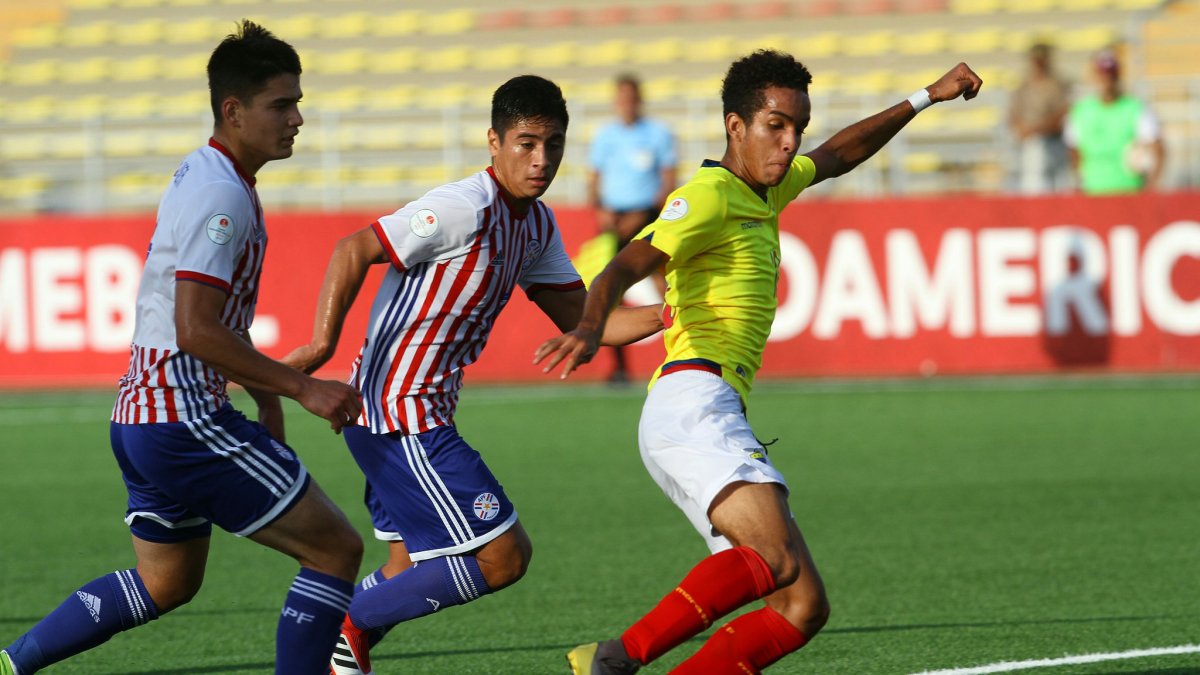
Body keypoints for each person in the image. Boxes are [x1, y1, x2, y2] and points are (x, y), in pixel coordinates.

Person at [536, 50, 982, 674]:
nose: (790, 141)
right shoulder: (709, 195)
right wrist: (589, 325)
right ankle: (614, 660)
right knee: (775, 559)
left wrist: (926, 96)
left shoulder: (766, 189)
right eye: (776, 125)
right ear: (735, 127)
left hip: (708, 407)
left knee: (801, 606)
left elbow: (840, 153)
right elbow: (626, 263)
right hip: (693, 402)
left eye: (796, 126)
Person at [0, 21, 365, 675]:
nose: (298, 119)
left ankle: (12, 662)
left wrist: (265, 395)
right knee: (334, 549)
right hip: (182, 419)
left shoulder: (207, 172)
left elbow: (213, 317)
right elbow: (195, 327)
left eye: (297, 101)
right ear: (234, 109)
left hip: (140, 416)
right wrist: (302, 386)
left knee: (166, 581)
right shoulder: (222, 195)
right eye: (282, 104)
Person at [281, 74, 663, 675]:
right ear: (494, 141)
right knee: (504, 556)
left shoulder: (535, 226)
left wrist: (678, 313)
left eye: (554, 146)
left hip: (398, 415)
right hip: (402, 416)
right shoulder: (464, 207)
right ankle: (340, 623)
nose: (541, 161)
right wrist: (322, 343)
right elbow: (355, 247)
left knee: (407, 569)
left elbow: (588, 320)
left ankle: (320, 652)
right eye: (526, 143)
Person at [586, 73, 677, 382]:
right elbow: (594, 178)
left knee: (666, 286)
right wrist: (600, 210)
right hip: (616, 220)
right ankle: (618, 366)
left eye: (630, 98)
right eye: (621, 98)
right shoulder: (606, 136)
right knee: (610, 290)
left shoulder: (657, 134)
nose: (625, 104)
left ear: (639, 100)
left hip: (649, 219)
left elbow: (668, 180)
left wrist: (646, 213)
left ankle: (681, 353)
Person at [1064, 48, 1165, 194]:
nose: (1107, 81)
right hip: (1092, 190)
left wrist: (1151, 186)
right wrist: (1078, 182)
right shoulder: (1080, 111)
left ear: (1118, 75)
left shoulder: (1135, 108)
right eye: (1102, 75)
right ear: (1094, 76)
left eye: (1111, 75)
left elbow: (1158, 149)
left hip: (1129, 190)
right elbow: (1074, 151)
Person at [1009, 42, 1071, 195]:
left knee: (1059, 189)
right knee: (1034, 188)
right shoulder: (1024, 86)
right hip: (1032, 145)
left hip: (1054, 143)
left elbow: (1063, 113)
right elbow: (1013, 113)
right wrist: (1022, 128)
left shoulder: (1056, 85)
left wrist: (1040, 127)